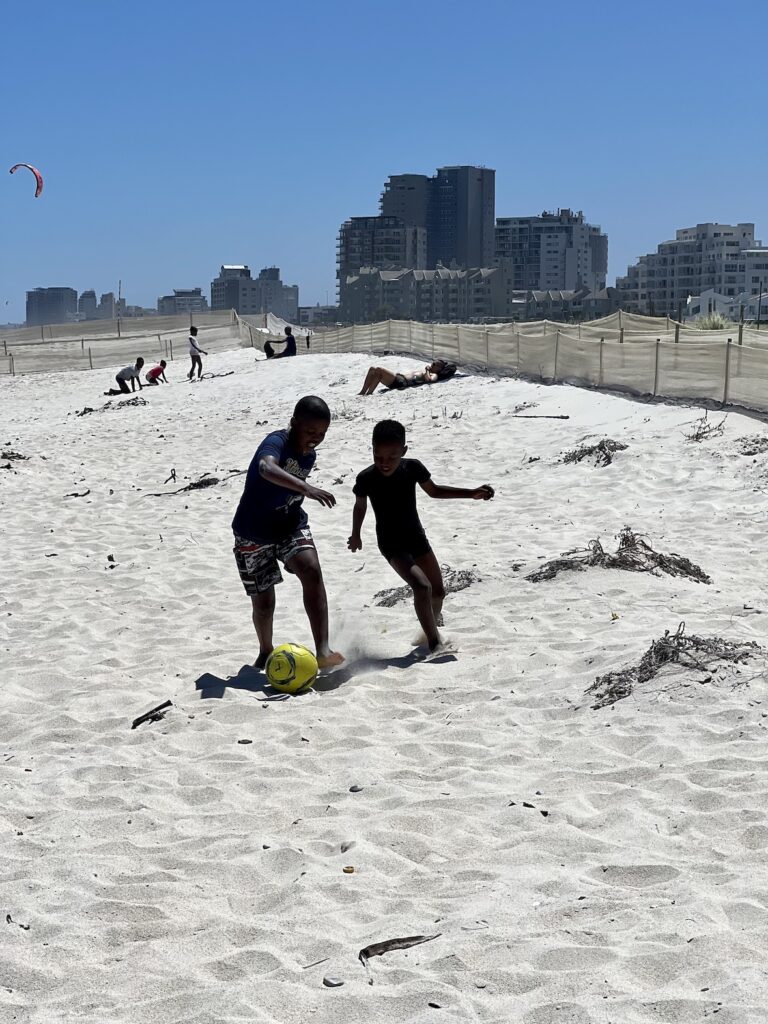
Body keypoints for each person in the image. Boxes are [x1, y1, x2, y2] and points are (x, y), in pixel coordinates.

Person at [348, 419, 493, 652]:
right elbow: (360, 506)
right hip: (391, 543)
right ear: (372, 450)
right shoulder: (366, 478)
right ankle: (435, 644)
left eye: (392, 457)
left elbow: (434, 491)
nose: (384, 462)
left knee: (438, 592)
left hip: (416, 537)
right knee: (422, 587)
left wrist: (471, 493)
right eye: (378, 456)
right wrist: (356, 534)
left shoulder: (412, 468)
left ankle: (428, 632)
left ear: (404, 451)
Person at [232, 395, 344, 671]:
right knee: (264, 602)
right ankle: (265, 650)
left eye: (322, 434)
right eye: (310, 431)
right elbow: (266, 467)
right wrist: (307, 488)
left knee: (311, 570)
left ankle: (323, 650)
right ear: (294, 423)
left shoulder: (310, 454)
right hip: (252, 532)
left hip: (289, 525)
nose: (316, 438)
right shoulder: (276, 442)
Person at [358, 359, 457, 396]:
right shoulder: (430, 371)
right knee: (373, 369)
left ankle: (369, 393)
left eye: (435, 364)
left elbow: (430, 380)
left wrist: (427, 370)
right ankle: (363, 392)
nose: (432, 364)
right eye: (433, 363)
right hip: (399, 377)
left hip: (401, 382)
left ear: (439, 369)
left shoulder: (434, 374)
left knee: (379, 370)